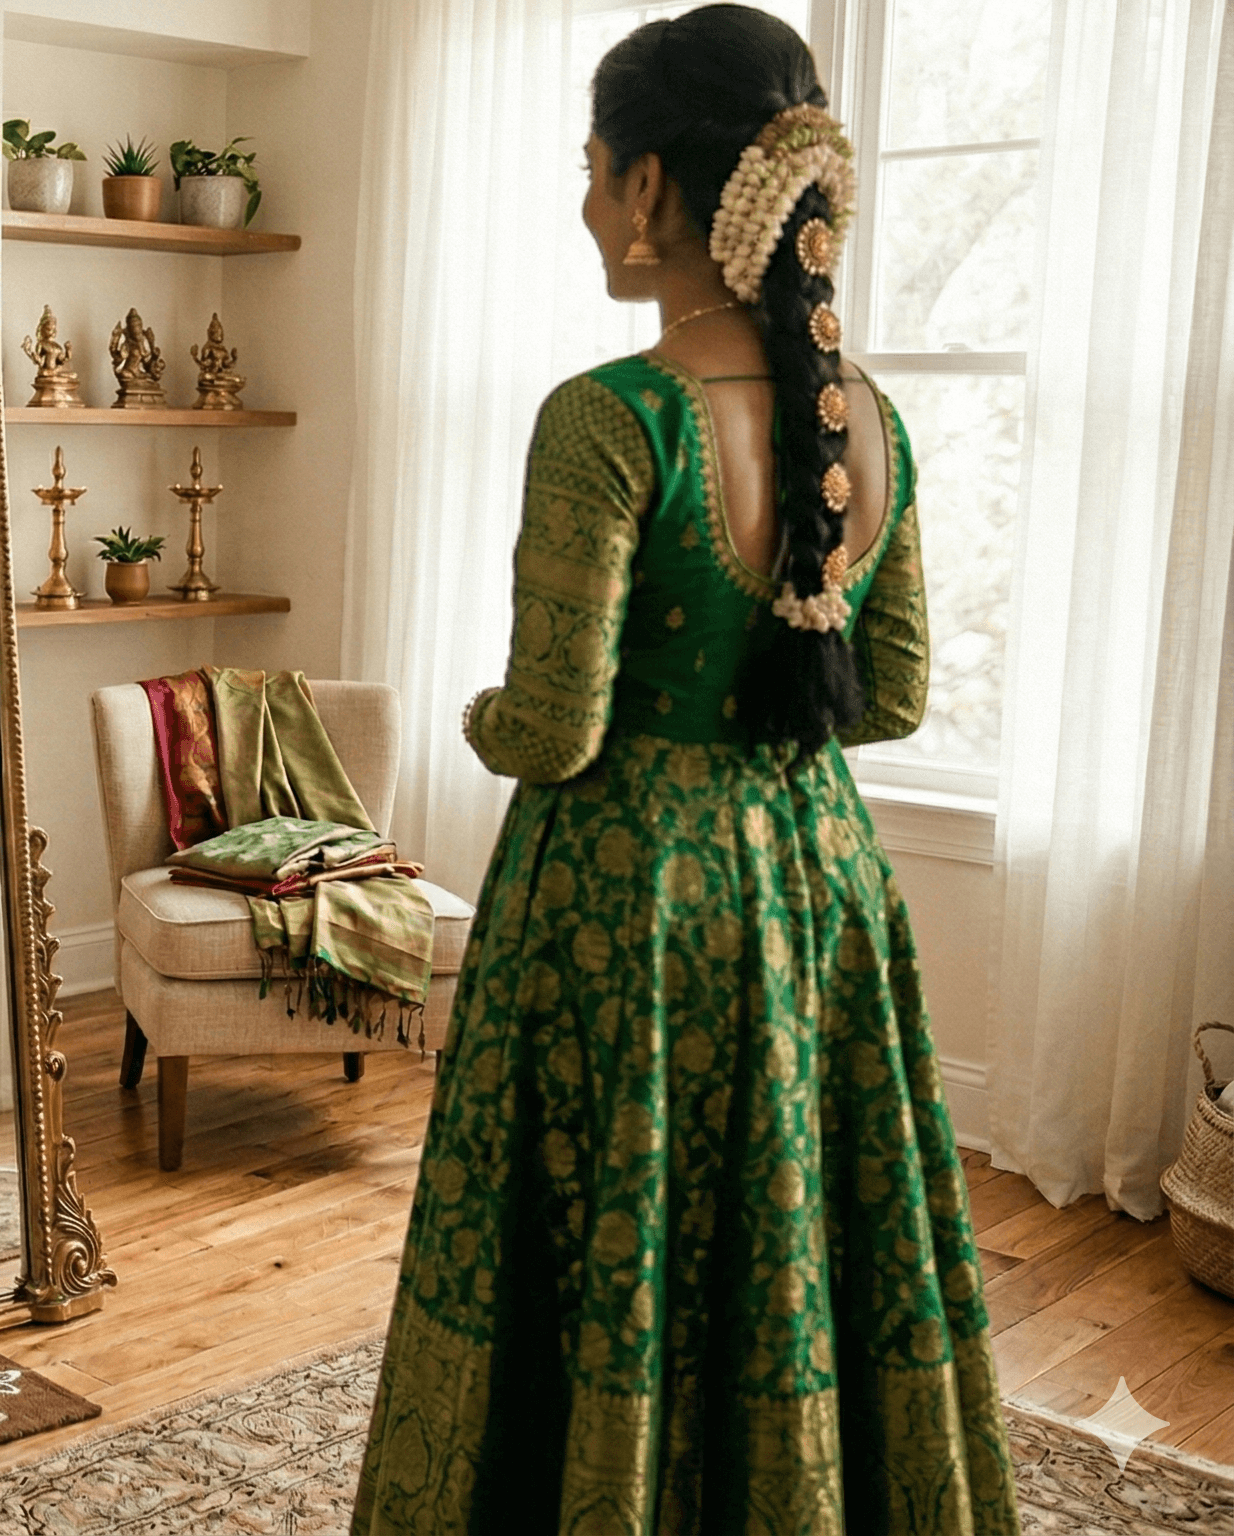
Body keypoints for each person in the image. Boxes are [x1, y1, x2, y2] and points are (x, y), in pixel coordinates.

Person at [351, 8, 1017, 1529]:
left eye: (593, 170)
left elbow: (557, 726)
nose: (587, 201)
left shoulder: (609, 419)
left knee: (608, 1249)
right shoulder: (869, 421)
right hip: (817, 883)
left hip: (627, 910)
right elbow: (893, 696)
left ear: (654, 188)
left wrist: (474, 717)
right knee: (796, 1238)